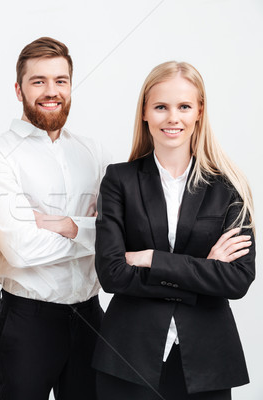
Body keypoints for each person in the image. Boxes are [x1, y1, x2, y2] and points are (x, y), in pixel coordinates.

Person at [93, 61, 255, 399]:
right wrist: (204, 268)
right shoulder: (118, 180)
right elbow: (112, 274)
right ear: (145, 113)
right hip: (128, 355)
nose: (173, 118)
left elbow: (237, 280)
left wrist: (153, 259)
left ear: (199, 111)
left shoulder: (229, 187)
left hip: (206, 359)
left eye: (183, 106)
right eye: (161, 107)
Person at [0, 37, 109, 400]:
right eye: (39, 82)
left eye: (61, 81)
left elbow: (117, 235)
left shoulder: (92, 151)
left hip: (90, 316)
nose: (52, 92)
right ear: (18, 89)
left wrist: (64, 225)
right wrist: (90, 233)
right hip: (29, 320)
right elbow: (19, 249)